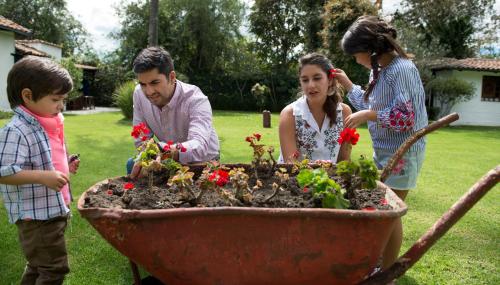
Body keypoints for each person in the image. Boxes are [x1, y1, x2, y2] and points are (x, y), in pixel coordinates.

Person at [333, 15, 428, 273]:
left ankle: (387, 273)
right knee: (386, 210)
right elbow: (369, 106)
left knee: (390, 214)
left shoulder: (403, 70)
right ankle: (383, 264)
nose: (355, 60)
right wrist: (347, 84)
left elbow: (405, 118)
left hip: (405, 152)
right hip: (387, 152)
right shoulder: (381, 71)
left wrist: (370, 116)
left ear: (370, 50)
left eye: (355, 55)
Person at [0, 56, 80, 285]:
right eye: (56, 99)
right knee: (53, 269)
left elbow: (50, 153)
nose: (61, 106)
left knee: (38, 266)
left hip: (51, 209)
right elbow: (4, 171)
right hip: (35, 217)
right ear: (27, 96)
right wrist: (43, 177)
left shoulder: (46, 120)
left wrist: (67, 162)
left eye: (63, 99)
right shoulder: (16, 130)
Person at [128, 47, 220, 177]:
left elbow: (199, 146)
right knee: (132, 165)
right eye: (143, 84)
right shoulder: (139, 94)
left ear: (171, 77)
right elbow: (141, 137)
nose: (148, 92)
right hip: (169, 158)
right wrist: (148, 156)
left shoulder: (196, 100)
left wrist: (165, 150)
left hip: (203, 163)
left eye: (155, 82)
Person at [279, 52, 352, 163]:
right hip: (295, 179)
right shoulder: (290, 114)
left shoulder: (345, 112)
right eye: (305, 80)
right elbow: (291, 164)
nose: (311, 85)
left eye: (317, 78)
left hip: (332, 180)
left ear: (330, 80)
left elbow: (344, 162)